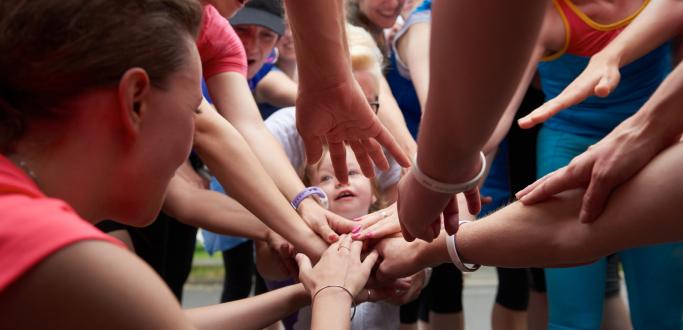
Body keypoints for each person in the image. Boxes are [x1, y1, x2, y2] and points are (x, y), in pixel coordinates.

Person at [0, 1, 379, 329]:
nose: (199, 145)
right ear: (135, 100)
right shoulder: (65, 254)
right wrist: (335, 292)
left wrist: (306, 290)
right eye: (194, 110)